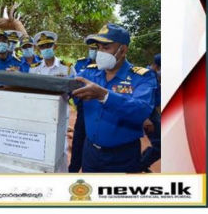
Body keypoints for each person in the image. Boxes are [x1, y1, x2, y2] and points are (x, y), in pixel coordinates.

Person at [72, 23, 157, 173]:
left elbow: (141, 110)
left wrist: (103, 95)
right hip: (91, 153)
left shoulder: (142, 77)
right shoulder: (89, 73)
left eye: (106, 48)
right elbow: (63, 85)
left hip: (123, 157)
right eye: (98, 48)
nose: (100, 53)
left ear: (123, 50)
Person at [29, 31, 76, 173]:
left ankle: (62, 177)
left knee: (60, 148)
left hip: (60, 113)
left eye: (49, 45)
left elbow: (74, 90)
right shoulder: (34, 68)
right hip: (40, 114)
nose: (46, 49)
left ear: (55, 47)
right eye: (42, 47)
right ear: (38, 49)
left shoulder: (66, 67)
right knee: (40, 145)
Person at [69, 43, 98, 172]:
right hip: (84, 107)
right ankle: (73, 172)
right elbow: (72, 83)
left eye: (97, 48)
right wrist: (77, 101)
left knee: (94, 143)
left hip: (101, 108)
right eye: (92, 48)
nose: (95, 51)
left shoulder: (109, 67)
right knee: (78, 142)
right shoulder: (81, 63)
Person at [140, 53, 161, 172]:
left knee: (159, 142)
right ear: (157, 66)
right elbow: (143, 99)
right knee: (160, 145)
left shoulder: (153, 75)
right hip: (149, 114)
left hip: (153, 113)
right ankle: (139, 166)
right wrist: (145, 118)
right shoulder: (148, 77)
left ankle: (141, 162)